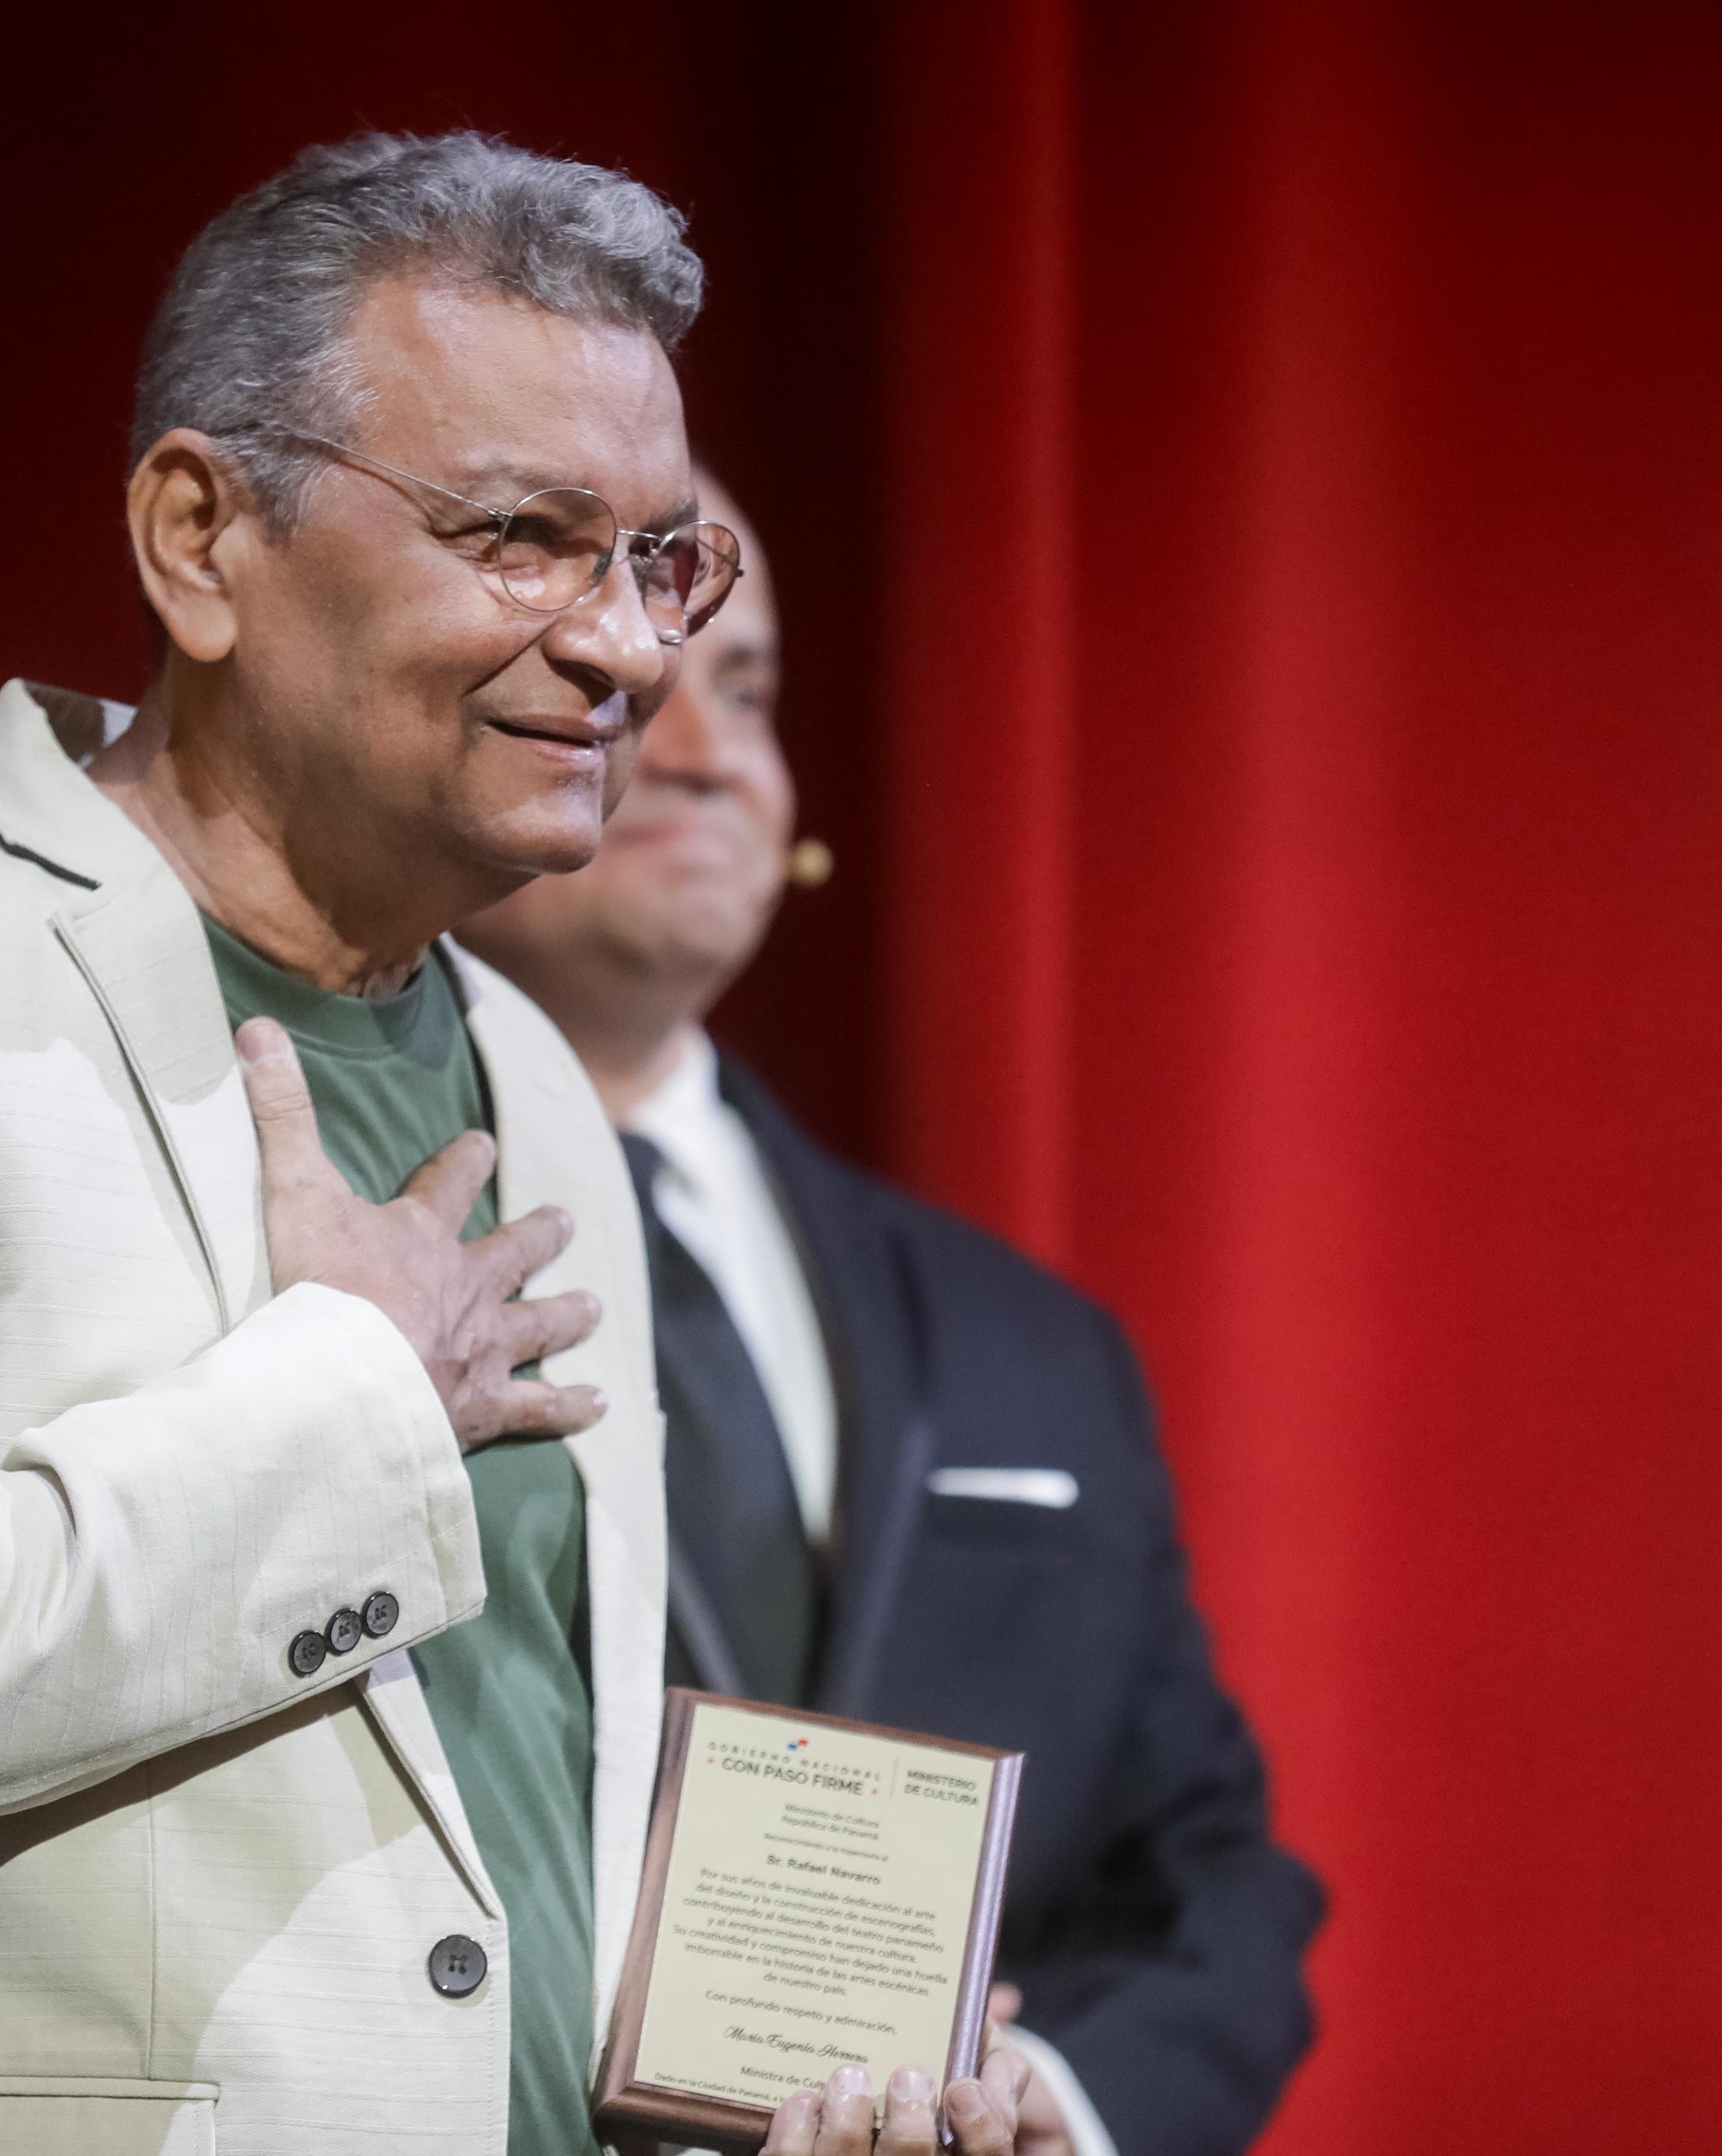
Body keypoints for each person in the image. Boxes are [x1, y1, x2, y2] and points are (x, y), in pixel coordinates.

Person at [0, 135, 1024, 2156]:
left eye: (658, 558)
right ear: (201, 538)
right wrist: (352, 1392)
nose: (626, 648)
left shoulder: (538, 1075)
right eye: (526, 535)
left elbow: (501, 1820)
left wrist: (788, 2080)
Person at [461, 476, 1325, 2156]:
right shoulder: (315, 1255)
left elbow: (1211, 1878)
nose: (708, 750)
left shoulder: (1030, 1344)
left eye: (755, 688)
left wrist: (1050, 2104)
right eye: (635, 677)